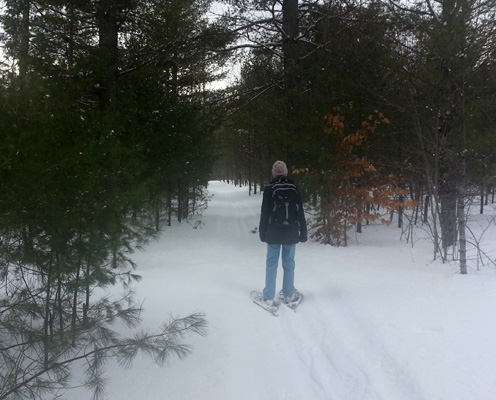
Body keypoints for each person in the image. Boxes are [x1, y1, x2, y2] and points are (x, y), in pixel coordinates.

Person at [258, 160, 307, 307]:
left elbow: (265, 212)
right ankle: (288, 295)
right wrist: (303, 231)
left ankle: (268, 296)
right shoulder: (294, 187)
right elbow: (300, 211)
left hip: (273, 230)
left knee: (271, 263)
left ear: (273, 173)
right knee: (289, 263)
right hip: (291, 231)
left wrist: (262, 231)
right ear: (286, 172)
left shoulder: (269, 188)